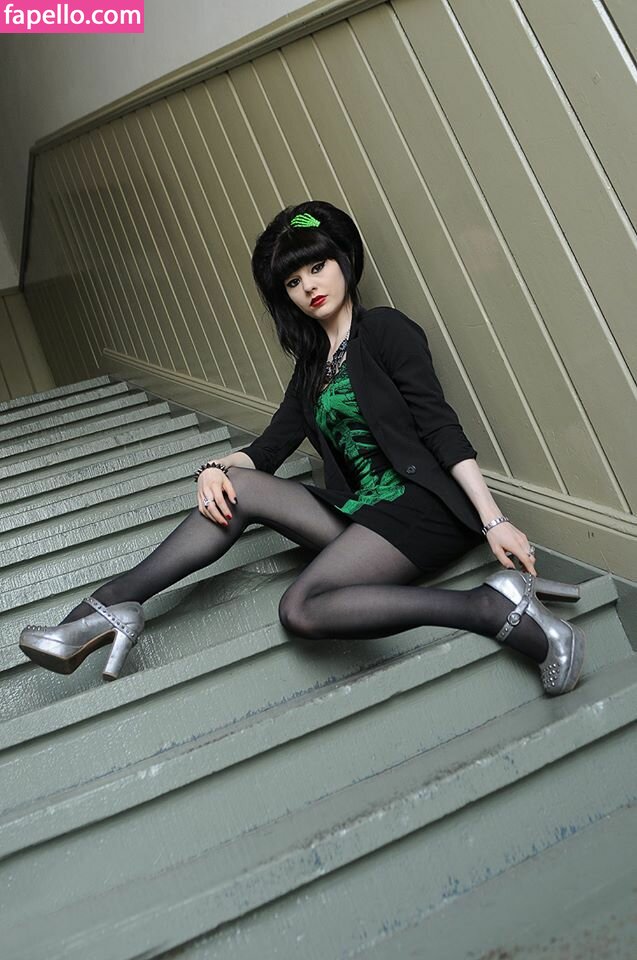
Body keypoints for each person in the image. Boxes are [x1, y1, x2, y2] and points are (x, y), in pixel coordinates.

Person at [19, 200, 585, 695]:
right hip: (365, 513)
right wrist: (214, 468)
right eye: (293, 281)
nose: (310, 285)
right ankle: (107, 609)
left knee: (301, 608)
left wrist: (492, 520)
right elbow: (268, 449)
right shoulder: (312, 367)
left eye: (318, 267)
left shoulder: (386, 331)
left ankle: (488, 606)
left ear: (344, 262)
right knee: (238, 486)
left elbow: (441, 428)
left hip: (420, 510)